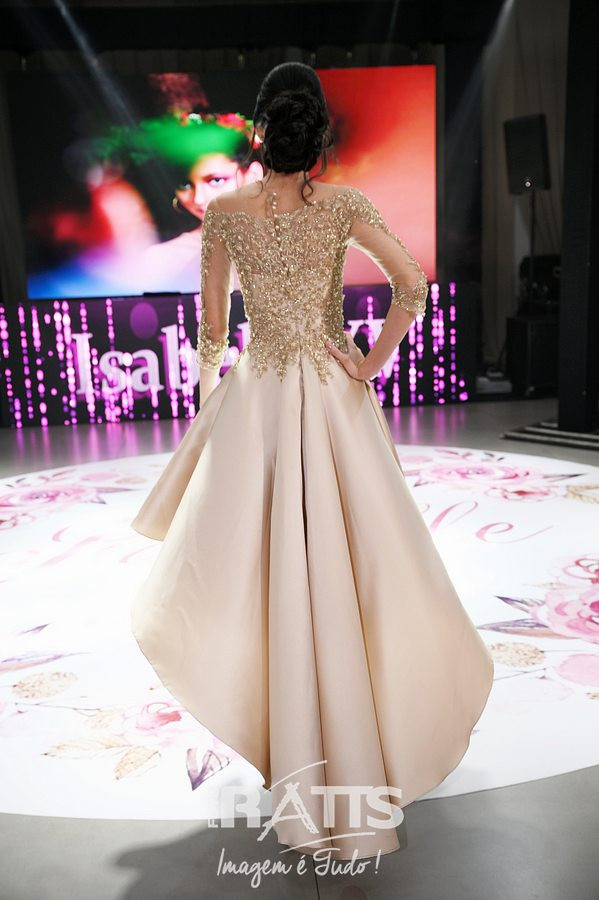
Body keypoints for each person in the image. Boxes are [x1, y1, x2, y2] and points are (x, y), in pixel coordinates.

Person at [129, 62, 494, 861]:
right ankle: (359, 745)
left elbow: (213, 333)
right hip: (333, 398)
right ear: (316, 131)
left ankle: (296, 744)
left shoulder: (224, 213)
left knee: (262, 577)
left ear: (259, 130)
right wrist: (369, 364)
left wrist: (210, 413)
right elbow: (411, 285)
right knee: (354, 568)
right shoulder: (344, 206)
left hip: (259, 401)